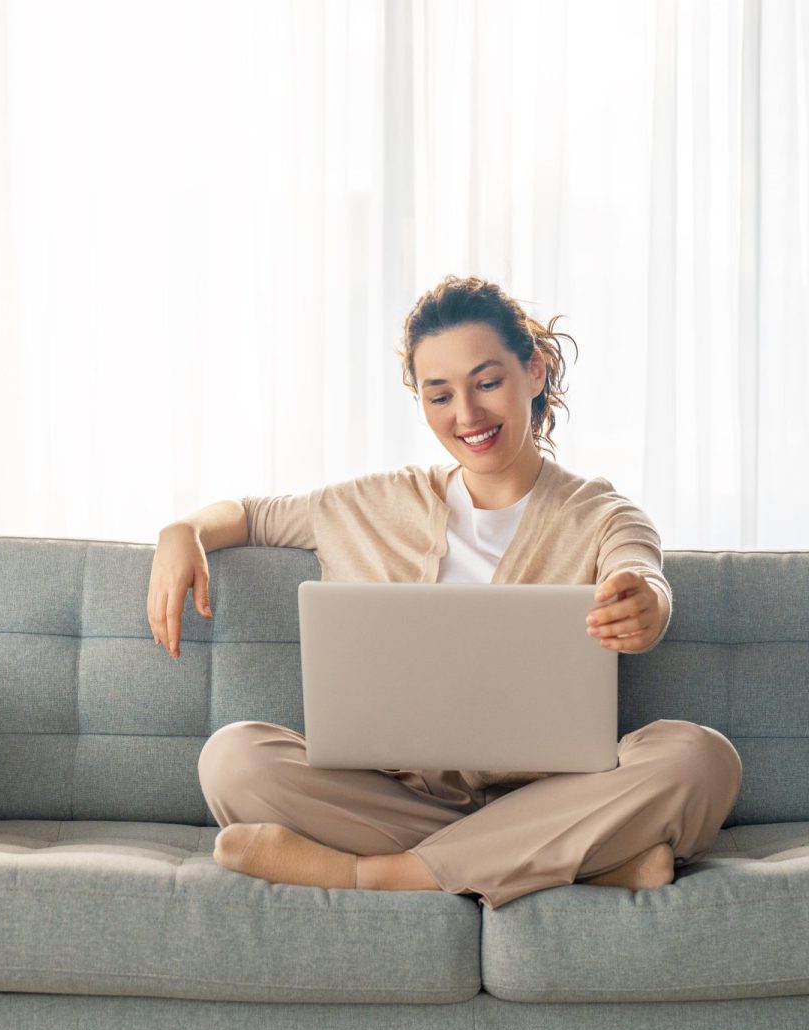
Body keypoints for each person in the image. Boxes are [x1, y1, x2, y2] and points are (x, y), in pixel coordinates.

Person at [145, 276, 742, 909]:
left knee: (700, 759)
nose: (466, 415)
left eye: (487, 383)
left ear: (533, 372)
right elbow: (252, 514)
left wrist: (645, 605)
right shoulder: (375, 502)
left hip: (556, 796)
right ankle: (577, 866)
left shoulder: (601, 514)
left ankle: (374, 875)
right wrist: (182, 530)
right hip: (398, 800)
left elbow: (642, 573)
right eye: (440, 395)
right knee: (234, 759)